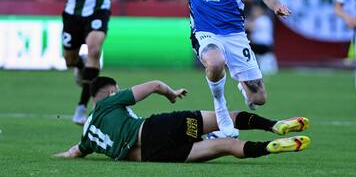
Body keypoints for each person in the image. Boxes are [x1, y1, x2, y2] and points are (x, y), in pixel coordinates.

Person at [114, 0, 291, 138]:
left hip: (235, 33)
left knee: (258, 99)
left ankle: (241, 87)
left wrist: (276, 7)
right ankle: (221, 108)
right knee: (215, 63)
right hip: (204, 30)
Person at [54, 76, 310, 162]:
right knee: (226, 119)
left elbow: (75, 152)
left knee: (226, 146)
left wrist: (60, 156)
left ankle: (269, 148)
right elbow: (154, 85)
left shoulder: (88, 135)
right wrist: (171, 95)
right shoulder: (110, 101)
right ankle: (274, 126)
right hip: (154, 129)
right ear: (110, 93)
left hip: (154, 156)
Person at [246, 4, 278, 75]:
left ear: (261, 11)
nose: (253, 12)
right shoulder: (263, 19)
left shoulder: (263, 19)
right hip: (261, 45)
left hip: (262, 46)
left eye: (255, 11)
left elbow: (249, 27)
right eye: (253, 11)